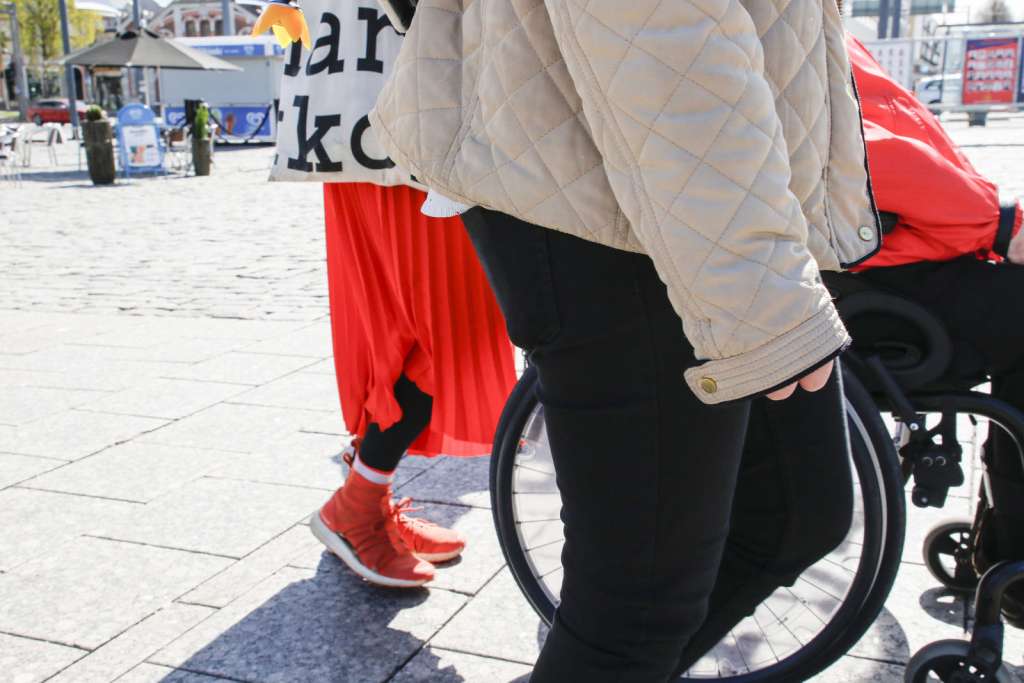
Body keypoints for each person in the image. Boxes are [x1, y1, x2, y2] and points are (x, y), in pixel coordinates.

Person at [370, 0, 880, 679]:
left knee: (795, 515)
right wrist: (761, 297)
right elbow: (657, 30)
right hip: (609, 201)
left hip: (698, 192)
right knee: (633, 613)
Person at [254, 0, 517, 589]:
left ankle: (365, 498)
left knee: (419, 334)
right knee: (442, 336)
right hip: (400, 123)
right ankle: (355, 507)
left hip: (396, 115)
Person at [845, 35, 1024, 621]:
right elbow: (857, 156)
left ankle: (1006, 545)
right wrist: (997, 224)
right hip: (873, 284)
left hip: (894, 258)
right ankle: (1013, 559)